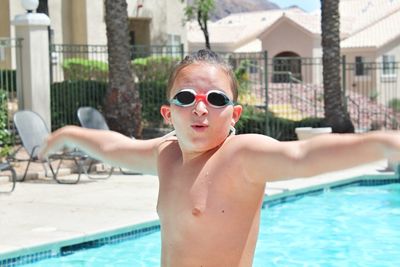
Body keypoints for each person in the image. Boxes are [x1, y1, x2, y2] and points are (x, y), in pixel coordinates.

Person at [40, 49, 400, 267]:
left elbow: (302, 154)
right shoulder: (166, 155)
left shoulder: (241, 157)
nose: (200, 108)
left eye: (215, 99)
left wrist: (384, 144)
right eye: (186, 98)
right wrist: (69, 134)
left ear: (235, 114)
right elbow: (115, 147)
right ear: (168, 113)